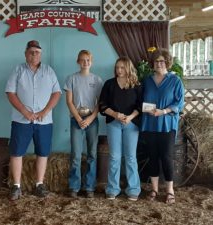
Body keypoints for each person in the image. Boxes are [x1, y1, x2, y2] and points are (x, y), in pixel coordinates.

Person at [5, 40, 61, 200]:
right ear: (25, 54)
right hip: (21, 120)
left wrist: (45, 111)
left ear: (41, 54)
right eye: (31, 52)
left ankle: (39, 184)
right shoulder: (18, 70)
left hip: (44, 121)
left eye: (37, 52)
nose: (34, 54)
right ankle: (16, 186)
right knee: (16, 152)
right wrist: (24, 111)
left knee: (42, 153)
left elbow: (56, 93)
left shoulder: (49, 71)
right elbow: (10, 92)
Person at [141, 48, 184, 204]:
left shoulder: (175, 81)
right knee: (152, 157)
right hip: (150, 124)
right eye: (156, 61)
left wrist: (164, 111)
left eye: (161, 61)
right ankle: (154, 189)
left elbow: (179, 103)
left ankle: (170, 190)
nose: (158, 63)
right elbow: (141, 101)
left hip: (167, 124)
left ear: (167, 62)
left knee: (166, 157)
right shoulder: (147, 81)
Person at [99, 56, 141, 201]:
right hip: (113, 123)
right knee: (114, 157)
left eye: (122, 67)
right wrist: (116, 115)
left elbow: (140, 107)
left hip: (131, 124)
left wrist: (129, 118)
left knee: (130, 157)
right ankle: (112, 189)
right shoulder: (109, 84)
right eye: (117, 67)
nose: (119, 70)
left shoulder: (136, 85)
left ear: (128, 68)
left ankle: (133, 190)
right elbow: (102, 106)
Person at [64, 50, 103, 198]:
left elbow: (100, 103)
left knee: (92, 153)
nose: (85, 62)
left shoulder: (97, 80)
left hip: (91, 120)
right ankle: (74, 186)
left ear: (91, 61)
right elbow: (69, 101)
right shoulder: (71, 79)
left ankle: (90, 187)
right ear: (78, 61)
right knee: (76, 154)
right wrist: (78, 119)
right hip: (76, 119)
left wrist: (91, 118)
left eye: (88, 60)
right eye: (82, 60)